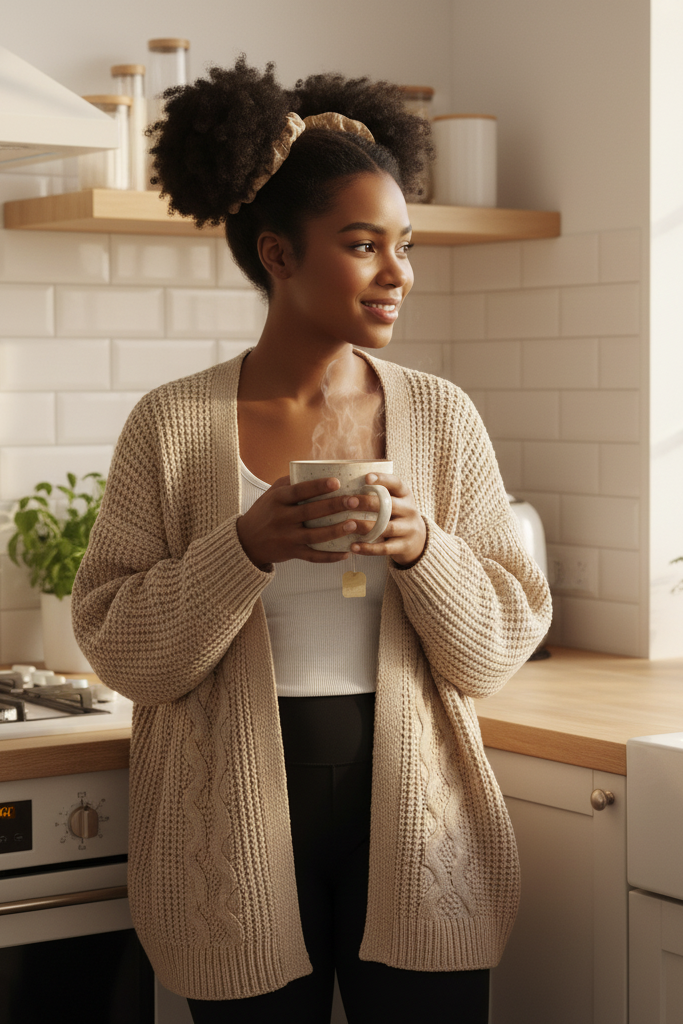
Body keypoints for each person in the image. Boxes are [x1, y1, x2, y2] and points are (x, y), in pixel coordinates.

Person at [72, 56, 552, 1024]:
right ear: (278, 255)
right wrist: (242, 547)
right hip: (231, 814)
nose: (398, 273)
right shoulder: (170, 425)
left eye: (404, 245)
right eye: (364, 244)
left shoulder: (442, 417)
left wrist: (426, 551)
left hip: (414, 808)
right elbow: (117, 643)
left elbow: (499, 642)